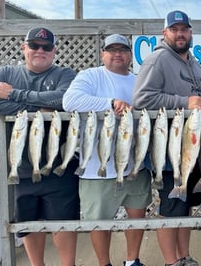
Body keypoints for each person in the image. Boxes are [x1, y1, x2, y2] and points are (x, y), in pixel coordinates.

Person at [63, 34, 152, 266]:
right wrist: (110, 103)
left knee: (137, 214)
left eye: (122, 50)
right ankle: (104, 263)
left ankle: (132, 260)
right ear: (102, 54)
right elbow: (70, 101)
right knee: (99, 222)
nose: (117, 54)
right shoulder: (90, 76)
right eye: (111, 50)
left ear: (130, 55)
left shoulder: (139, 80)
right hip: (97, 169)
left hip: (135, 165)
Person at [0, 27, 79, 266]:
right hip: (19, 167)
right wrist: (39, 109)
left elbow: (64, 100)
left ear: (54, 51)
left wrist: (14, 95)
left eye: (46, 47)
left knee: (64, 224)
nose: (40, 50)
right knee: (27, 223)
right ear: (24, 48)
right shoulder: (5, 72)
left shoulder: (65, 74)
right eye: (34, 45)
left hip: (58, 166)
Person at [132, 10, 201, 266]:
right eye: (174, 29)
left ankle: (184, 257)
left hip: (193, 148)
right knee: (169, 208)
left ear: (190, 33)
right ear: (164, 33)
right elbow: (141, 100)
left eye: (184, 29)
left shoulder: (194, 64)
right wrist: (184, 103)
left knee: (185, 206)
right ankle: (170, 262)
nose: (180, 34)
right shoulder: (158, 60)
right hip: (168, 150)